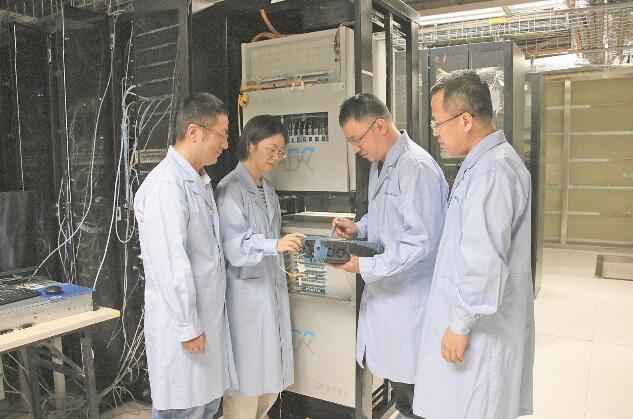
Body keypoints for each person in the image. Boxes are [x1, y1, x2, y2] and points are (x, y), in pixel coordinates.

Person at [412, 70, 534, 419]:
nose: (436, 132)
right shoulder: (481, 164)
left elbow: (484, 260)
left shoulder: (493, 172)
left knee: (475, 406)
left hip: (481, 328)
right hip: (474, 319)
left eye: (438, 123)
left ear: (465, 120)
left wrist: (460, 325)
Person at [331, 93, 448, 419]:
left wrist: (362, 264)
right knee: (403, 390)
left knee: (417, 395)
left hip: (411, 298)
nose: (355, 149)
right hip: (389, 296)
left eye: (357, 139)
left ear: (380, 125)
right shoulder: (380, 164)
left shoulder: (416, 168)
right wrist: (358, 228)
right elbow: (386, 217)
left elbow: (418, 243)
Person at [134, 93, 236, 419]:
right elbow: (171, 263)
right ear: (194, 132)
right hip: (185, 330)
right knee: (183, 409)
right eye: (222, 135)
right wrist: (188, 326)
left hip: (205, 325)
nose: (225, 144)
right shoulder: (166, 185)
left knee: (205, 407)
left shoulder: (197, 180)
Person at [215, 115, 305, 419]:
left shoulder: (267, 189)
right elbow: (234, 246)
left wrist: (281, 246)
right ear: (251, 144)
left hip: (269, 291)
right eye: (271, 149)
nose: (276, 157)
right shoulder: (230, 189)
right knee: (245, 384)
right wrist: (274, 244)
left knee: (269, 382)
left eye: (281, 152)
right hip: (244, 299)